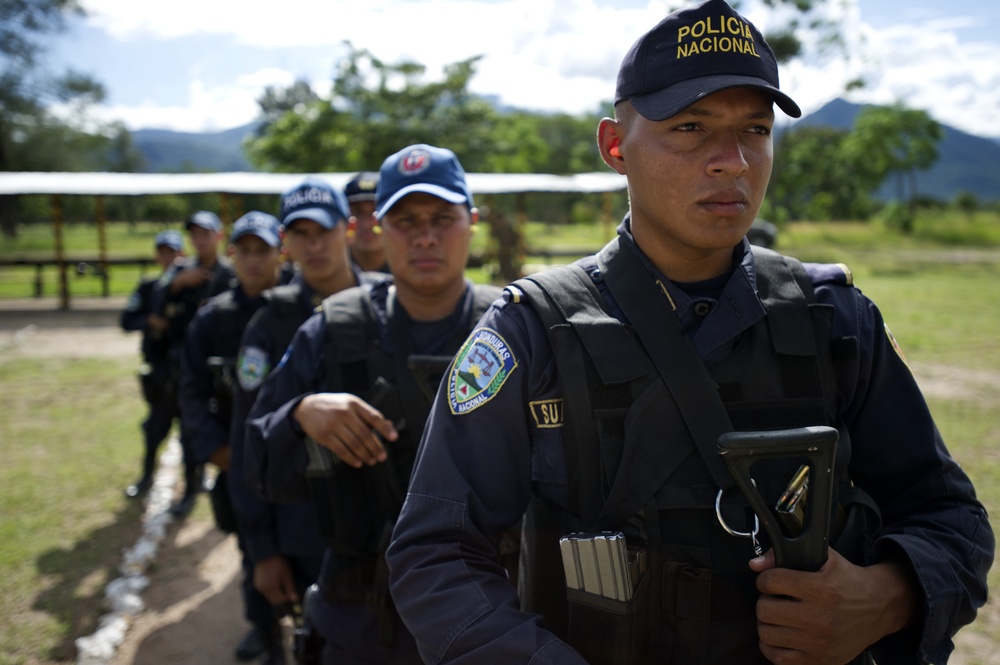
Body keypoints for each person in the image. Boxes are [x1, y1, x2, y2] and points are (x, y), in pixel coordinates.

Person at [385, 2, 994, 665]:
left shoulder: (835, 320)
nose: (731, 161)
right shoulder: (531, 333)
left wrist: (886, 595)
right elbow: (437, 552)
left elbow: (950, 517)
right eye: (691, 127)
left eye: (755, 130)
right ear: (616, 146)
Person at [245, 144, 502, 665]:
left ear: (471, 222)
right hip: (357, 620)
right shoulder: (333, 329)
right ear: (377, 227)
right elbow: (258, 463)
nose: (426, 236)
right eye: (406, 220)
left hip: (490, 619)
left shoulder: (513, 327)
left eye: (442, 218)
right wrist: (299, 417)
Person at [227, 178, 377, 663]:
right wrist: (262, 551)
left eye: (324, 231)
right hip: (304, 527)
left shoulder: (387, 302)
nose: (314, 246)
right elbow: (249, 443)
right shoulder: (269, 324)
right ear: (286, 243)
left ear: (347, 231)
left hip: (388, 519)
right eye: (300, 234)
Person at [151, 209, 236, 518]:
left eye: (206, 233)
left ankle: (228, 493)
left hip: (225, 366)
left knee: (228, 429)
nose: (200, 240)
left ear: (218, 235)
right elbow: (156, 309)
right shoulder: (180, 272)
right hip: (188, 366)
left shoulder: (230, 273)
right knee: (190, 429)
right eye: (195, 234)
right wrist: (176, 284)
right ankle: (190, 489)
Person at [120, 229, 184, 498]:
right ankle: (146, 476)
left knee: (193, 427)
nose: (167, 257)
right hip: (158, 370)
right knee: (155, 427)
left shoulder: (190, 287)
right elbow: (126, 320)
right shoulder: (148, 287)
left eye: (172, 252)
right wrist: (149, 321)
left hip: (185, 371)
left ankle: (197, 479)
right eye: (163, 252)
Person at [344, 171, 389, 273]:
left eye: (376, 212)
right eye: (357, 212)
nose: (366, 224)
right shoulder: (327, 271)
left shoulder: (412, 270)